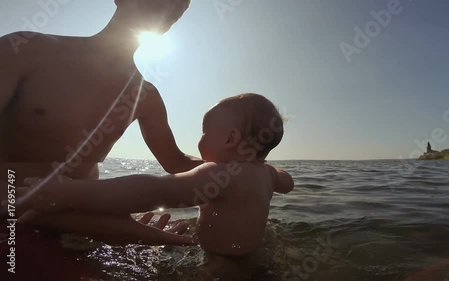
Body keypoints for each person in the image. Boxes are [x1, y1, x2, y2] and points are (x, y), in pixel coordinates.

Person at [0, 0, 200, 280]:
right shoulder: (26, 49)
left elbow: (176, 162)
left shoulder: (146, 96)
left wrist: (246, 163)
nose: (168, 7)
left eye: (178, 7)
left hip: (86, 232)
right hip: (12, 222)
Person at [17, 94, 295, 280]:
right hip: (256, 256)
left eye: (204, 132)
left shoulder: (217, 174)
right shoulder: (267, 173)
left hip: (219, 266)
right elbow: (288, 182)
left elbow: (153, 190)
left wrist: (65, 191)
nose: (200, 140)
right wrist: (268, 163)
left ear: (230, 138)